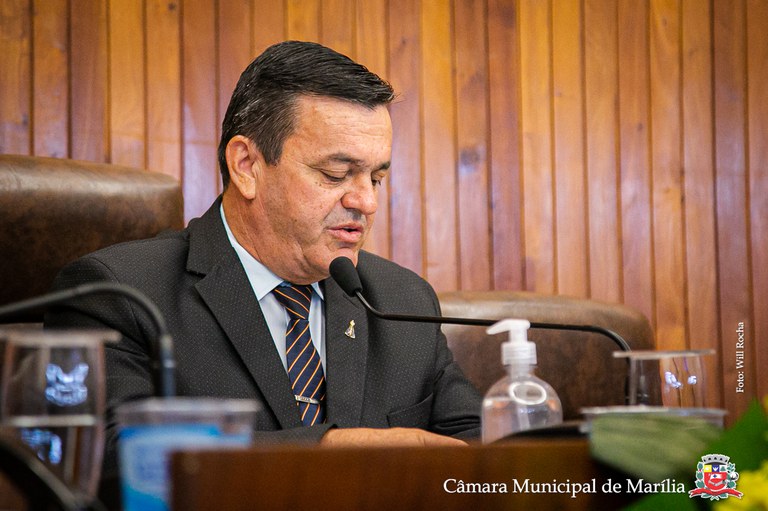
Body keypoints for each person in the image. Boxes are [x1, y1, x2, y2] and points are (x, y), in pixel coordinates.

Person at [46, 40, 481, 506]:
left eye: (376, 178)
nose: (366, 202)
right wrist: (330, 454)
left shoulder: (402, 299)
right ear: (247, 166)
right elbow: (102, 466)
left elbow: (480, 451)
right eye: (336, 174)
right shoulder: (119, 294)